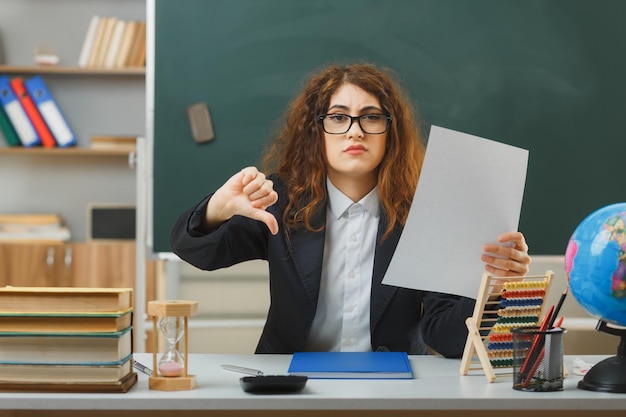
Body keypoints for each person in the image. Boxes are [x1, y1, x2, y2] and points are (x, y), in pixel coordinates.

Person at [170, 63, 531, 357]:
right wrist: (216, 209)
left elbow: (448, 340)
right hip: (291, 389)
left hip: (394, 393)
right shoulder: (281, 199)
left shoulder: (424, 213)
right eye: (339, 117)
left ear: (391, 132)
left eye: (371, 117)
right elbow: (197, 254)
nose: (355, 132)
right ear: (318, 131)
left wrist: (495, 286)